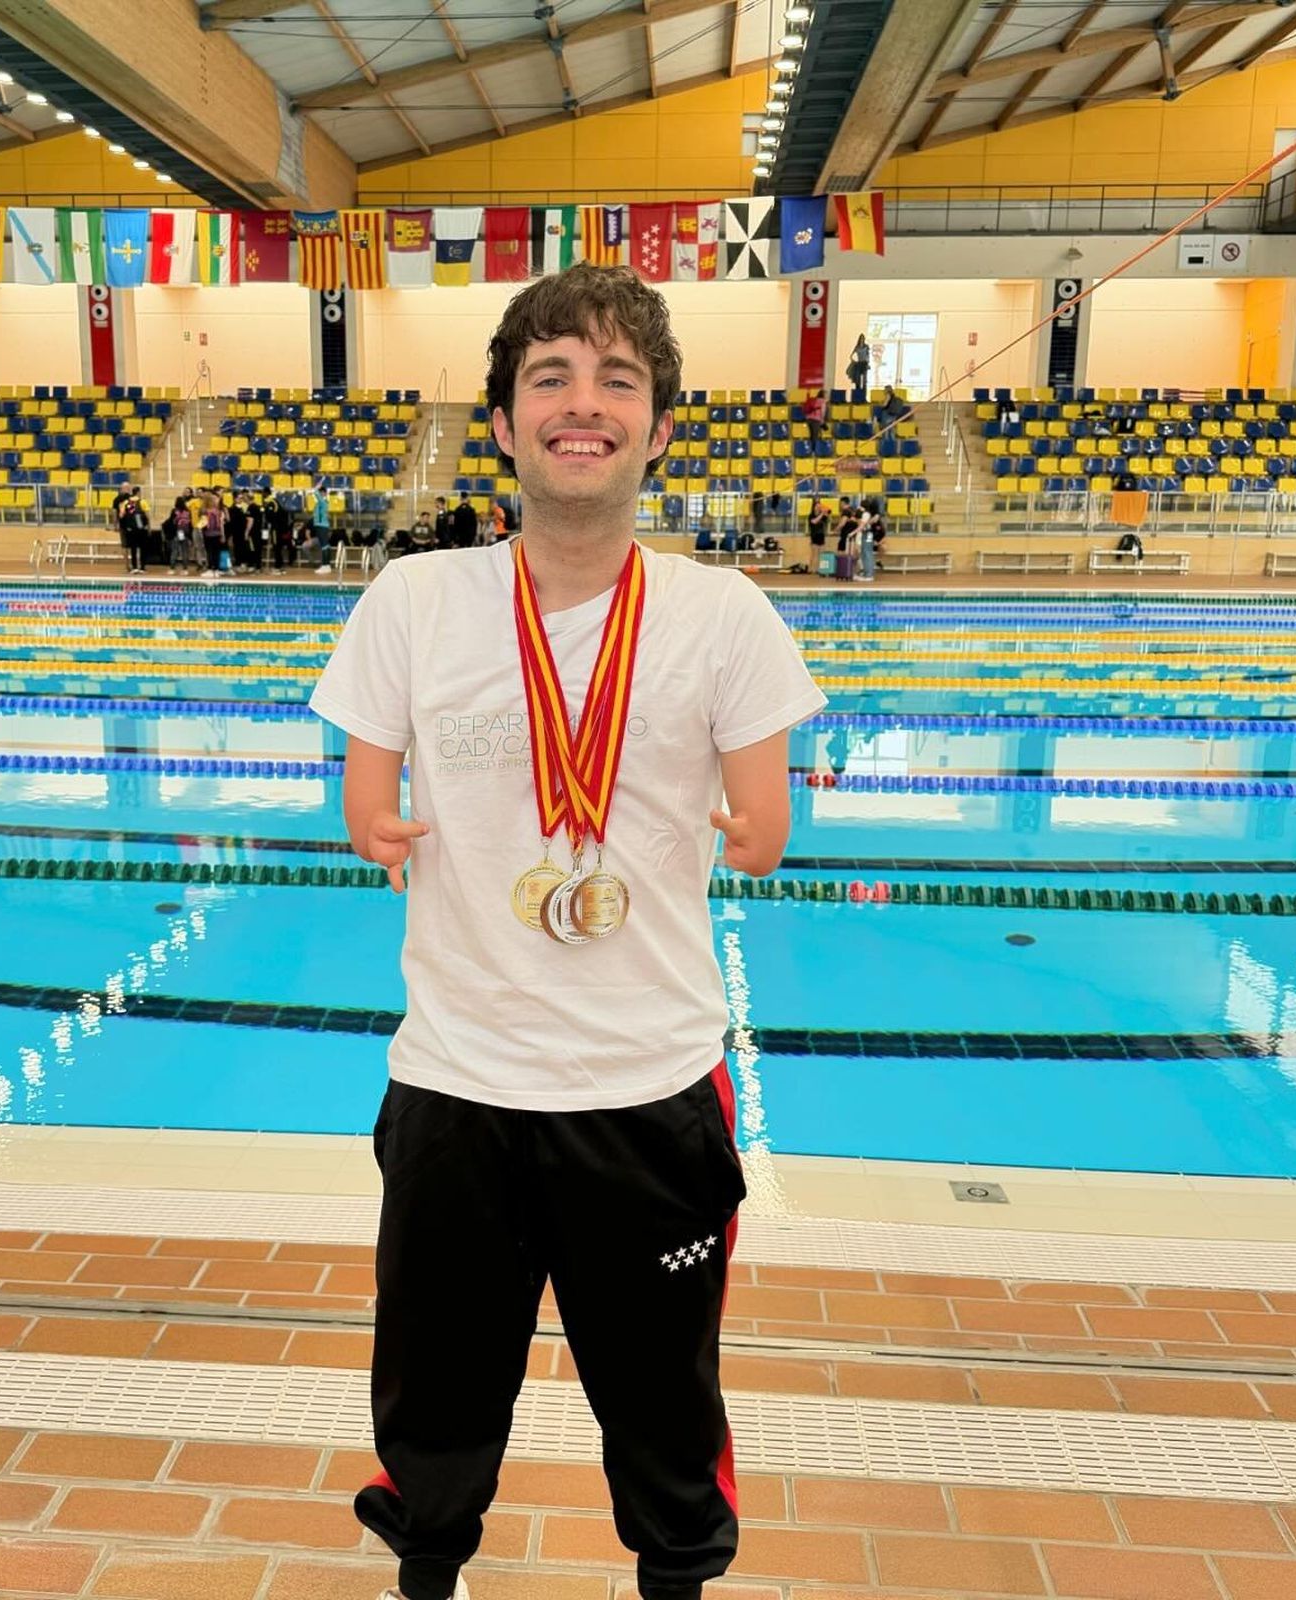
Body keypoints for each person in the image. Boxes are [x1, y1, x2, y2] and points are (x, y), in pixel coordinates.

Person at [309, 262, 824, 1600]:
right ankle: (428, 1570)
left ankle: (675, 1581)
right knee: (432, 1390)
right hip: (457, 1081)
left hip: (645, 1085)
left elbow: (763, 823)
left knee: (663, 1400)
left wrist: (756, 827)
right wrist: (374, 817)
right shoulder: (414, 601)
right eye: (550, 377)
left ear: (659, 428)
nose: (581, 403)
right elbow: (365, 795)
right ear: (503, 422)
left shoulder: (723, 616)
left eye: (615, 379)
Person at [117, 491, 149, 573]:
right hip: (141, 529)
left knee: (133, 549)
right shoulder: (142, 501)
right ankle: (142, 567)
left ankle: (134, 567)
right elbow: (146, 516)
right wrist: (148, 526)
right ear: (138, 493)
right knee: (142, 549)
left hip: (131, 529)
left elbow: (122, 515)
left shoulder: (127, 503)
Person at [854, 497, 883, 583]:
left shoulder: (867, 514)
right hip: (866, 533)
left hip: (868, 533)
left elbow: (864, 524)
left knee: (867, 554)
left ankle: (869, 574)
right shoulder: (867, 514)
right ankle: (866, 572)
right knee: (864, 553)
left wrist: (853, 532)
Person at [167, 495, 193, 573]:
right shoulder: (188, 511)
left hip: (177, 532)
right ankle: (185, 569)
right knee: (184, 551)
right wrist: (190, 536)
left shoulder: (174, 511)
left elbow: (171, 522)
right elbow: (190, 523)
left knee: (175, 550)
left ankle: (172, 568)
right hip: (185, 532)